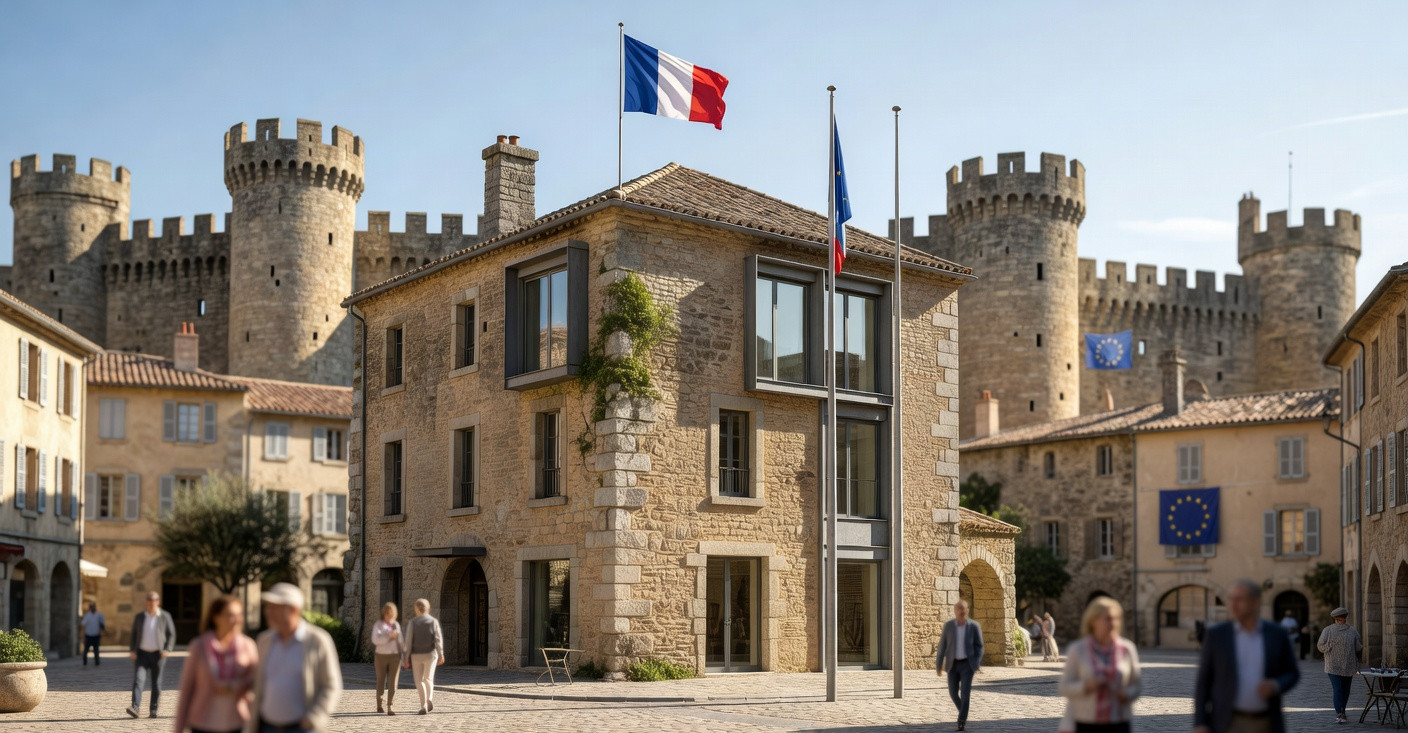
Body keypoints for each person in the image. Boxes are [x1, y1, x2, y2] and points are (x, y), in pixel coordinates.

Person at [1193, 579, 1300, 733]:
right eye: (1231, 599)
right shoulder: (1217, 635)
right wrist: (1200, 722)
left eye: (1239, 600)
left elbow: (1292, 673)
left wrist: (1276, 685)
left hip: (1266, 721)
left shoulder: (1276, 634)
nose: (1233, 605)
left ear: (1255, 602)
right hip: (1227, 721)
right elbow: (1203, 682)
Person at [248, 583, 342, 733]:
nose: (268, 612)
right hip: (266, 727)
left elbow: (331, 685)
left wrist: (315, 717)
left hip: (301, 729)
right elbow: (256, 681)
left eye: (275, 607)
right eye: (268, 607)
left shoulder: (317, 640)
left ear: (293, 610)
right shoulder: (264, 640)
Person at [174, 595, 258, 733]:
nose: (237, 620)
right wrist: (178, 729)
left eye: (239, 615)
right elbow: (187, 690)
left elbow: (257, 682)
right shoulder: (198, 646)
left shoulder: (248, 646)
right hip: (202, 723)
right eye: (230, 615)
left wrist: (237, 685)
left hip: (238, 722)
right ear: (216, 617)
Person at [1058, 597, 1141, 733]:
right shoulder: (1078, 649)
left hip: (1119, 721)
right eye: (1107, 618)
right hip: (1086, 722)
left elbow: (1137, 685)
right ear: (1093, 621)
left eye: (1116, 618)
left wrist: (1127, 694)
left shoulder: (1127, 649)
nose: (1113, 622)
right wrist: (1086, 686)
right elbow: (1065, 687)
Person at [935, 599, 984, 732]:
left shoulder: (974, 626)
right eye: (959, 609)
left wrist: (977, 662)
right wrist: (939, 665)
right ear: (955, 611)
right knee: (952, 693)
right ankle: (963, 710)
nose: (961, 611)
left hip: (967, 665)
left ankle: (961, 721)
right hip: (952, 664)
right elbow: (942, 646)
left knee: (965, 693)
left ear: (967, 610)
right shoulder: (949, 626)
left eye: (963, 609)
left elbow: (979, 647)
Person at [127, 591, 177, 719]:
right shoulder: (140, 617)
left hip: (158, 655)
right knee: (139, 680)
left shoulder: (165, 616)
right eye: (149, 600)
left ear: (158, 602)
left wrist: (168, 649)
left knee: (156, 683)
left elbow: (171, 634)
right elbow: (133, 635)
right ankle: (135, 708)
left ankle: (153, 709)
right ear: (146, 602)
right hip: (142, 654)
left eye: (153, 600)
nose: (151, 603)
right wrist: (133, 650)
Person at [1316, 607, 1363, 724]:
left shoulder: (1352, 631)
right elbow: (1320, 645)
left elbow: (1358, 647)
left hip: (1348, 664)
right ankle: (1340, 712)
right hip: (1334, 665)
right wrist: (1328, 648)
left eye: (1340, 618)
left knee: (1344, 690)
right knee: (1339, 689)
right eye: (1339, 618)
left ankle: (1342, 712)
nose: (1340, 620)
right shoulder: (1329, 630)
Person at [401, 598, 444, 715]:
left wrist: (405, 657)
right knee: (428, 678)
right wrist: (441, 654)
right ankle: (429, 699)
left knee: (419, 681)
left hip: (417, 655)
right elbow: (438, 640)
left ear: (416, 609)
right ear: (427, 608)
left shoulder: (413, 623)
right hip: (431, 654)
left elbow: (409, 641)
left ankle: (423, 705)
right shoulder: (433, 622)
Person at [371, 602, 403, 715]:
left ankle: (390, 706)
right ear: (384, 613)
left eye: (391, 612)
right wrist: (388, 637)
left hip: (395, 656)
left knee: (393, 682)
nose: (389, 614)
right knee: (381, 680)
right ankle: (379, 704)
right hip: (380, 656)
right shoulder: (378, 625)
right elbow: (375, 640)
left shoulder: (396, 625)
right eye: (387, 612)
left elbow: (400, 642)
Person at [80, 601, 106, 666]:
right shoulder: (87, 615)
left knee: (96, 650)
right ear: (89, 608)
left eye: (93, 607)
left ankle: (97, 661)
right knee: (86, 649)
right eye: (91, 607)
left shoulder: (99, 615)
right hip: (88, 635)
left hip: (96, 635)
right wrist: (82, 634)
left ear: (95, 607)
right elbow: (83, 624)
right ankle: (84, 661)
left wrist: (103, 631)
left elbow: (102, 624)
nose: (92, 608)